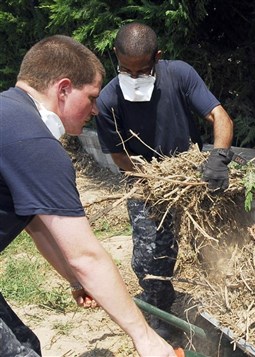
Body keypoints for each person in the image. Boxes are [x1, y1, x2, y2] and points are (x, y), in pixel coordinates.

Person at [0, 35, 175, 356]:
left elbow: (36, 225)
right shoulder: (33, 142)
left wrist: (74, 280)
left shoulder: (9, 115)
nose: (95, 109)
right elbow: (86, 257)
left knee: (24, 344)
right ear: (64, 89)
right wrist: (145, 338)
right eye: (91, 96)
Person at [95, 23, 234, 337]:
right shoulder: (107, 102)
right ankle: (160, 313)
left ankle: (225, 304)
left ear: (157, 58)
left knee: (216, 244)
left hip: (191, 175)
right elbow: (119, 157)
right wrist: (153, 179)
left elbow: (220, 117)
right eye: (125, 70)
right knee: (150, 257)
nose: (132, 78)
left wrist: (219, 157)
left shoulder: (179, 75)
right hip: (144, 181)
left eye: (141, 71)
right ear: (116, 57)